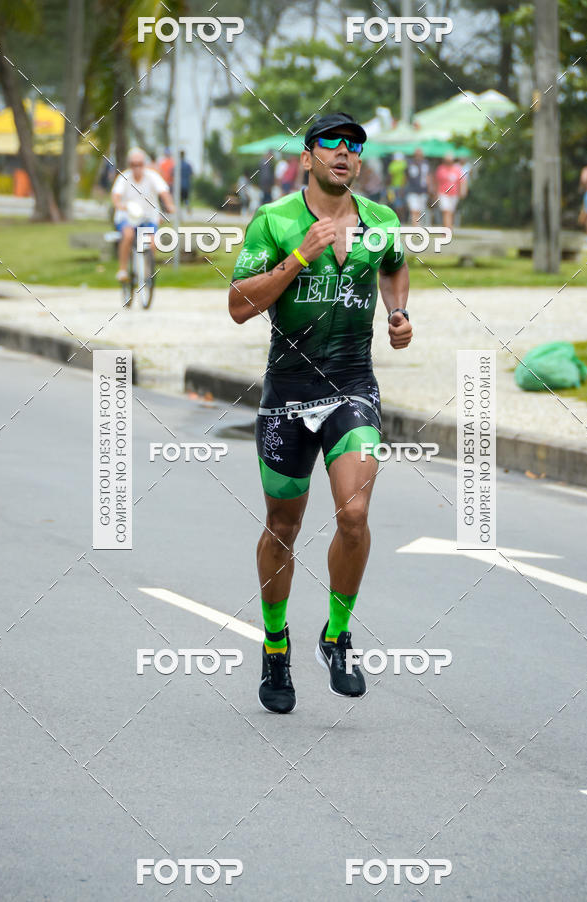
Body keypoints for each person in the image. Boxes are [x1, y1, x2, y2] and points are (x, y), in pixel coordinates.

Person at [228, 112, 412, 714]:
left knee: (354, 514)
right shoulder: (275, 221)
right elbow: (237, 305)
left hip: (353, 386)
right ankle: (275, 647)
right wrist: (299, 259)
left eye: (354, 147)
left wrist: (397, 314)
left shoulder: (380, 222)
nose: (345, 153)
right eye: (331, 145)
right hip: (288, 391)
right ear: (307, 157)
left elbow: (394, 267)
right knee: (283, 525)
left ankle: (336, 636)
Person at [111, 147, 174, 282]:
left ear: (144, 164)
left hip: (147, 217)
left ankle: (148, 270)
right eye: (133, 164)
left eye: (139, 164)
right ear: (130, 165)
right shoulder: (124, 177)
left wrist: (170, 205)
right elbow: (116, 195)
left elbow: (164, 192)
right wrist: (119, 205)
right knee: (128, 236)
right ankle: (122, 270)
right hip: (127, 217)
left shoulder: (152, 176)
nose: (137, 168)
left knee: (152, 242)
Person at [435, 152, 465, 230]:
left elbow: (461, 181)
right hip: (443, 193)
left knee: (451, 212)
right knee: (446, 211)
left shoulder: (457, 170)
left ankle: (448, 228)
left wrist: (462, 191)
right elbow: (437, 182)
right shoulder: (441, 169)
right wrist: (435, 193)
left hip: (454, 194)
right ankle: (447, 230)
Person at [405, 148, 431, 226]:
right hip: (412, 190)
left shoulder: (425, 164)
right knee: (414, 210)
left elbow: (428, 177)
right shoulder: (410, 164)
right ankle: (415, 228)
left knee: (419, 210)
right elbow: (406, 176)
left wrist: (429, 188)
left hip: (423, 190)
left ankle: (417, 226)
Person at [386, 152, 406, 219]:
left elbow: (390, 176)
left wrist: (388, 186)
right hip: (402, 187)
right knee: (400, 203)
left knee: (393, 203)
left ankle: (397, 218)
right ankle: (402, 219)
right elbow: (405, 177)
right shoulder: (404, 164)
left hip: (393, 187)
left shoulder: (393, 165)